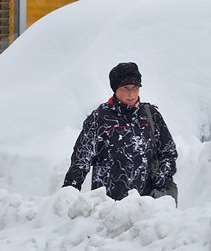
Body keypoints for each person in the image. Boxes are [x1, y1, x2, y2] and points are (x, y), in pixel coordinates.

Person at [63, 62, 178, 202]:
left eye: (135, 87)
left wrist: (163, 182)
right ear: (115, 89)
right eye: (125, 88)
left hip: (146, 206)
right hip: (108, 208)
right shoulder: (100, 118)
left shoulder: (151, 115)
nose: (131, 93)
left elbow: (168, 152)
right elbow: (81, 159)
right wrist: (68, 194)